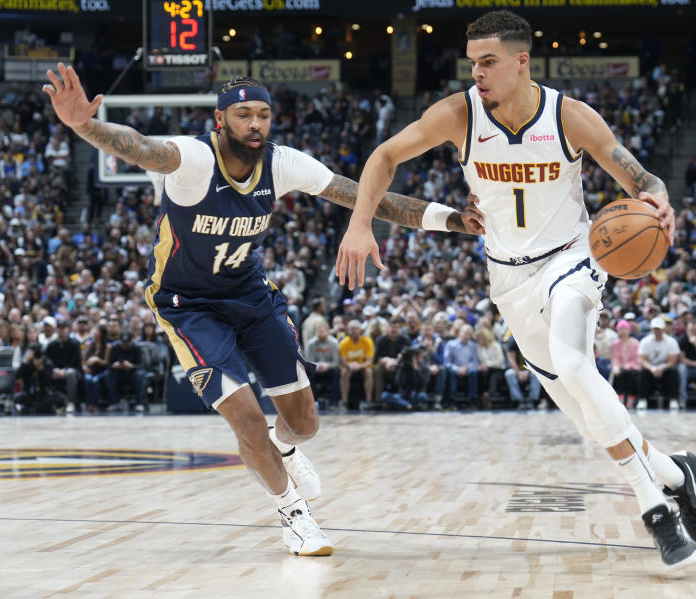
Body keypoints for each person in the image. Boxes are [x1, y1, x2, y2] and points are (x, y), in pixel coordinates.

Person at [44, 63, 478, 556]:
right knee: (246, 420)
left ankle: (285, 446)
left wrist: (454, 220)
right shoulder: (193, 159)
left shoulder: (283, 163)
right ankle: (294, 515)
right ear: (220, 119)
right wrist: (84, 125)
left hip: (251, 295)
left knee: (306, 423)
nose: (255, 124)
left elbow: (366, 198)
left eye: (264, 115)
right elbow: (141, 146)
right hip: (188, 306)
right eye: (244, 114)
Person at [334, 11, 696, 569]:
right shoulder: (460, 115)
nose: (478, 73)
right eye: (473, 63)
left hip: (573, 258)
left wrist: (659, 197)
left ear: (520, 61)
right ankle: (678, 472)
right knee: (586, 418)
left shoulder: (571, 117)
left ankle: (655, 510)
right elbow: (384, 156)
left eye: (488, 62)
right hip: (507, 276)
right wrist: (360, 223)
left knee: (574, 363)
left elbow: (639, 177)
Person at [639, 317, 681, 409]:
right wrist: (652, 368)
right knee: (642, 373)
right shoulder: (645, 341)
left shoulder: (671, 341)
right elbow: (643, 360)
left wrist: (662, 367)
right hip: (650, 368)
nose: (657, 331)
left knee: (674, 372)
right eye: (655, 328)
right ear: (652, 329)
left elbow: (673, 361)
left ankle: (674, 400)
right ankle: (642, 400)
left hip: (665, 368)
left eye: (659, 329)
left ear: (664, 329)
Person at [14, 344, 66, 415]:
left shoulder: (47, 364)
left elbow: (49, 381)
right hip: (30, 395)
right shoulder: (27, 364)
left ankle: (32, 409)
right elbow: (17, 376)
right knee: (17, 398)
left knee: (60, 397)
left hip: (44, 395)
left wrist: (40, 368)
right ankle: (39, 408)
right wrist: (25, 362)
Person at [44, 319, 82, 413]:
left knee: (71, 373)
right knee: (44, 371)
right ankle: (47, 400)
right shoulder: (51, 345)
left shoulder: (75, 344)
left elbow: (75, 362)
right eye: (59, 328)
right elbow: (48, 361)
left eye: (63, 328)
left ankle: (70, 402)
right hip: (55, 371)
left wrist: (64, 370)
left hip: (71, 370)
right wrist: (54, 369)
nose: (61, 330)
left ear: (68, 329)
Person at [339, 319, 374, 410]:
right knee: (344, 372)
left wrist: (359, 366)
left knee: (368, 371)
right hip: (349, 367)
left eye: (356, 328)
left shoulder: (367, 341)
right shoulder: (344, 343)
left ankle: (368, 401)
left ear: (360, 330)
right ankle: (344, 402)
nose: (354, 330)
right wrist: (350, 365)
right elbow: (344, 361)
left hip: (362, 366)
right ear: (347, 331)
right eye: (351, 328)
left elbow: (369, 361)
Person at [304, 323, 340, 410]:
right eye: (318, 332)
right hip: (316, 369)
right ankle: (312, 401)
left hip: (329, 368)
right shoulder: (310, 343)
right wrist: (317, 365)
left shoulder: (334, 342)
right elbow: (308, 361)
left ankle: (334, 402)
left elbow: (336, 362)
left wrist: (327, 365)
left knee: (336, 372)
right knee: (308, 372)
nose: (320, 333)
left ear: (327, 332)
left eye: (322, 331)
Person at [503, 334, 542, 410]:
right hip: (517, 369)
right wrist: (519, 372)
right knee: (509, 374)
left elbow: (536, 359)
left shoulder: (532, 340)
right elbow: (511, 359)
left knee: (536, 374)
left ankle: (533, 400)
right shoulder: (512, 340)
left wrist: (528, 371)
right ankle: (519, 400)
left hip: (531, 369)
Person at [610, 319, 640, 408]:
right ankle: (620, 396)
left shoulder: (635, 343)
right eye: (621, 329)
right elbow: (614, 358)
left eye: (625, 329)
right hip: (621, 367)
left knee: (631, 374)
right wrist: (616, 366)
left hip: (633, 367)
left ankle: (631, 397)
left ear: (629, 330)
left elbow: (637, 358)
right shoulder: (615, 344)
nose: (623, 331)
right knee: (620, 374)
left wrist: (629, 365)